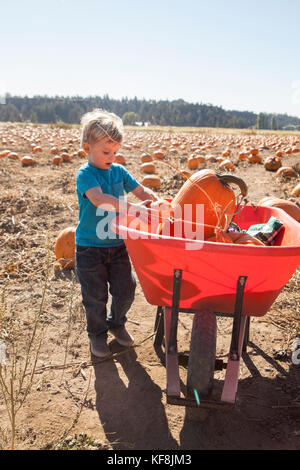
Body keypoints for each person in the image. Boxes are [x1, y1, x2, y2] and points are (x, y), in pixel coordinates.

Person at [75, 109, 159, 359]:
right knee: (95, 297)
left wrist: (154, 202)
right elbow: (100, 199)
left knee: (126, 289)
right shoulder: (86, 175)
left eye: (115, 152)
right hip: (90, 248)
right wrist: (132, 208)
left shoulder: (119, 171)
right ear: (87, 148)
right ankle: (97, 334)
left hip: (118, 244)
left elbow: (141, 190)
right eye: (105, 152)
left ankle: (117, 322)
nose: (111, 157)